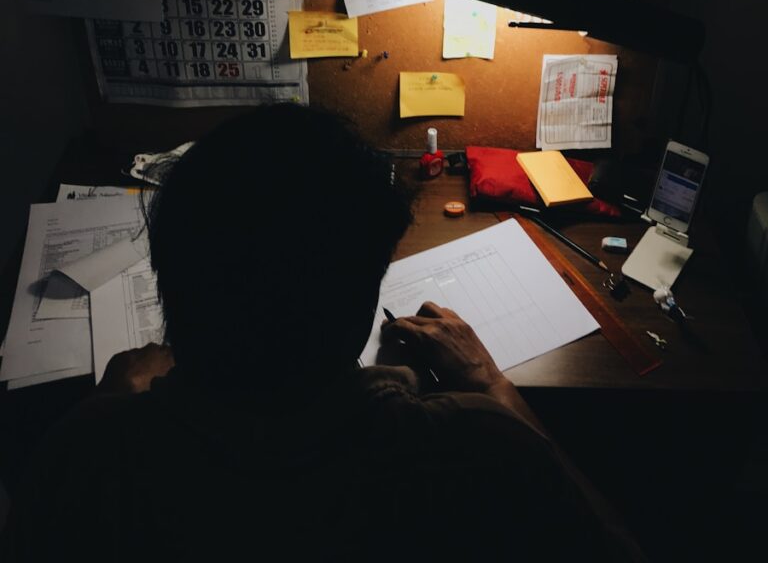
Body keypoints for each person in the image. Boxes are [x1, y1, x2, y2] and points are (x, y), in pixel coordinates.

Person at [5, 104, 646, 561]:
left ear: (172, 282)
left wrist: (107, 402)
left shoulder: (86, 459)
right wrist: (492, 382)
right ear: (359, 298)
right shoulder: (482, 450)